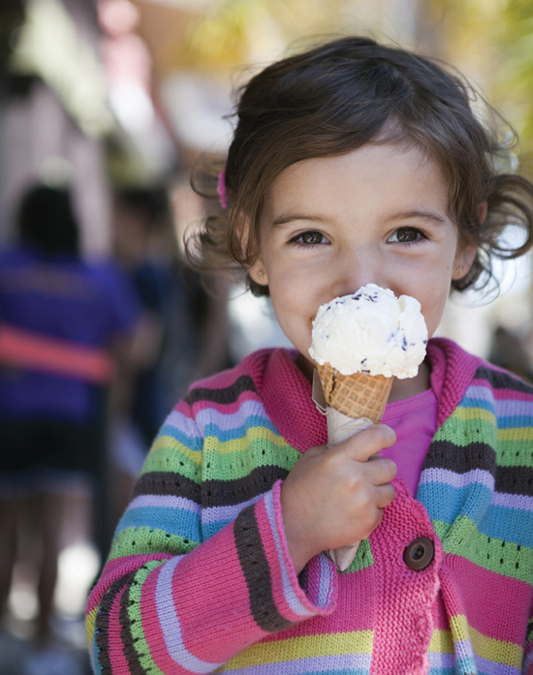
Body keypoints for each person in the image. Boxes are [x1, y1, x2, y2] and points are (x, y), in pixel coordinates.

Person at [86, 37, 533, 675]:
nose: (360, 279)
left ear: (464, 240)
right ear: (253, 245)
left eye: (406, 233)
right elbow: (118, 650)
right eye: (310, 236)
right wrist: (284, 533)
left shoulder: (520, 432)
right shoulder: (207, 429)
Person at [0, 184, 140, 674]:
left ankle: (3, 635)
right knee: (55, 533)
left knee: (7, 529)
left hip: (10, 414)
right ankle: (40, 642)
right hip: (71, 417)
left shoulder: (7, 267)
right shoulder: (101, 279)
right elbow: (134, 345)